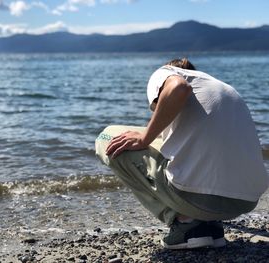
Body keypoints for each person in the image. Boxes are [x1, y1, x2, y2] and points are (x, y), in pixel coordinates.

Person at [95, 58, 269, 249]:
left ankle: (185, 222)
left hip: (201, 200)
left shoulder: (166, 73)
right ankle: (207, 224)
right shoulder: (223, 89)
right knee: (160, 141)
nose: (155, 108)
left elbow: (178, 88)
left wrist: (144, 138)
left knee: (108, 137)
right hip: (246, 201)